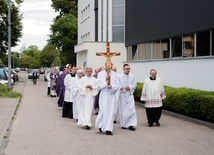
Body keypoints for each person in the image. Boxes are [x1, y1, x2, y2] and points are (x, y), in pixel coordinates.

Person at [95, 65, 120, 135]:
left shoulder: (115, 74)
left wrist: (112, 87)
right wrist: (105, 82)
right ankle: (101, 125)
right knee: (104, 111)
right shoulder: (100, 74)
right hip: (104, 94)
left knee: (111, 112)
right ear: (105, 66)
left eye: (110, 65)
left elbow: (117, 85)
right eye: (107, 65)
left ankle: (108, 129)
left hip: (112, 95)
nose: (109, 67)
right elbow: (98, 86)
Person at [118, 64, 137, 131]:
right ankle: (124, 124)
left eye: (129, 69)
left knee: (131, 110)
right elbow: (117, 85)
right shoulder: (119, 76)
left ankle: (131, 124)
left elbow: (134, 85)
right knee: (124, 111)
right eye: (126, 69)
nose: (128, 70)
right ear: (123, 69)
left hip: (129, 95)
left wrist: (130, 87)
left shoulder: (132, 76)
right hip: (122, 95)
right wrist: (120, 87)